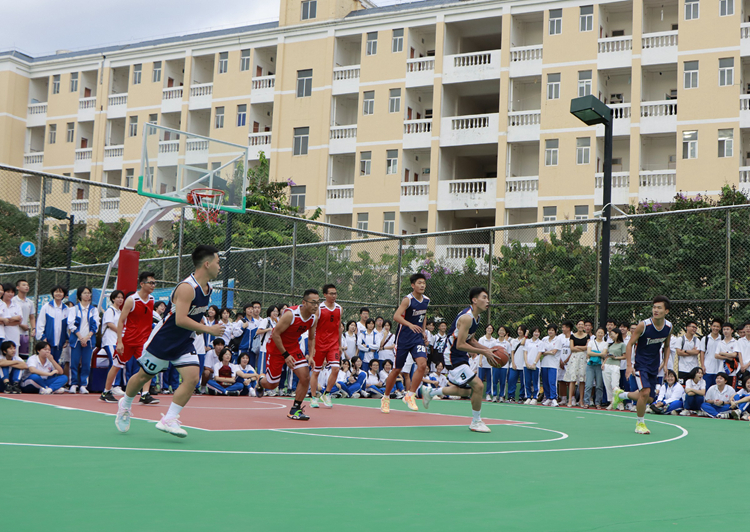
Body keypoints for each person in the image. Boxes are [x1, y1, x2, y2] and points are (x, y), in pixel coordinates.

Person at [115, 245, 226, 438]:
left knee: (192, 378)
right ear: (207, 264)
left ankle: (169, 419)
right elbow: (180, 319)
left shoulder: (207, 288)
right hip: (164, 340)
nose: (219, 267)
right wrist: (208, 329)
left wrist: (199, 323)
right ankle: (125, 403)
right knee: (143, 376)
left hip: (184, 341)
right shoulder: (187, 288)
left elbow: (193, 313)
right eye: (217, 262)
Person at [421, 287, 498, 433]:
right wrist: (483, 352)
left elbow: (471, 339)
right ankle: (476, 422)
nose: (487, 301)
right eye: (484, 297)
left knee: (467, 392)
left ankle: (430, 392)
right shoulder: (467, 318)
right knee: (479, 386)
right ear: (474, 300)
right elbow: (460, 344)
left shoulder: (476, 317)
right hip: (452, 355)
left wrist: (487, 349)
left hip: (459, 355)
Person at [612, 295, 673, 434]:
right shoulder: (644, 325)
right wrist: (629, 365)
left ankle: (621, 395)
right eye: (654, 307)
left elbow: (667, 346)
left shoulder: (668, 327)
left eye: (659, 308)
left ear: (666, 311)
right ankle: (640, 423)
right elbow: (630, 344)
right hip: (641, 363)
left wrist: (665, 363)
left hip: (654, 364)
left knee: (650, 398)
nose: (655, 310)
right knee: (644, 392)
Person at [255, 289, 320, 421]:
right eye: (312, 302)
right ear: (304, 302)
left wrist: (311, 356)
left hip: (293, 348)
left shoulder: (314, 318)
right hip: (276, 348)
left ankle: (295, 409)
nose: (315, 306)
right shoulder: (291, 314)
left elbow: (312, 338)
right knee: (272, 384)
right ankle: (260, 381)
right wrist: (285, 355)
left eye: (317, 303)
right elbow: (275, 334)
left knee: (305, 377)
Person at [101, 273, 158, 405]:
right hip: (128, 339)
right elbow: (121, 321)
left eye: (154, 283)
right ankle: (106, 392)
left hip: (143, 341)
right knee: (116, 365)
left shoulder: (151, 299)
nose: (153, 286)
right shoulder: (132, 300)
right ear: (142, 284)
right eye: (150, 283)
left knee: (148, 367)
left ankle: (145, 394)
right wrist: (120, 341)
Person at [382, 273, 430, 413]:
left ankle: (410, 395)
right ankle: (385, 398)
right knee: (397, 369)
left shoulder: (426, 300)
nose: (422, 285)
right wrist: (409, 325)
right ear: (413, 285)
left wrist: (423, 331)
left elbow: (423, 316)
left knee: (422, 364)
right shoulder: (407, 300)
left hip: (417, 338)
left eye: (424, 283)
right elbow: (396, 316)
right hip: (403, 338)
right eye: (419, 283)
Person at [310, 284, 342, 408]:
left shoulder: (339, 308)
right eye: (331, 293)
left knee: (336, 369)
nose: (334, 296)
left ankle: (327, 393)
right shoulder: (320, 308)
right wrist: (312, 347)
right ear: (325, 295)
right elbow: (313, 327)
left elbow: (339, 327)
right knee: (316, 372)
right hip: (319, 344)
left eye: (335, 293)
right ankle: (313, 397)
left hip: (333, 344)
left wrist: (339, 344)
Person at [67, 286, 99, 394]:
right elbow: (71, 324)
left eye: (89, 293)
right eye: (85, 293)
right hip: (76, 340)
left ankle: (83, 385)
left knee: (86, 363)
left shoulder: (94, 310)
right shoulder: (73, 309)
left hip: (88, 340)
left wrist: (87, 337)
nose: (87, 295)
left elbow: (96, 325)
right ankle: (74, 384)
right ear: (80, 295)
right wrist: (80, 337)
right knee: (74, 362)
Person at [98, 290, 125, 401]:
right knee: (115, 362)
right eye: (118, 297)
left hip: (118, 340)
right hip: (110, 340)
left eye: (121, 297)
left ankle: (115, 385)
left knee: (119, 362)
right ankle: (113, 386)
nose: (120, 299)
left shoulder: (121, 312)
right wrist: (121, 331)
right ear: (113, 299)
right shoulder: (110, 310)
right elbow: (110, 324)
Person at [35, 285, 69, 363]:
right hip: (48, 341)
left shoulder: (66, 309)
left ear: (64, 294)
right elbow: (40, 323)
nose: (58, 294)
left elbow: (67, 327)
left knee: (56, 362)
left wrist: (66, 340)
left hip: (60, 342)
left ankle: (55, 375)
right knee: (47, 362)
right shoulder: (46, 307)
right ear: (53, 293)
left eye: (60, 292)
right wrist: (43, 337)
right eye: (56, 291)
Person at [565, 319, 588, 407]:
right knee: (572, 379)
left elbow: (587, 347)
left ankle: (581, 400)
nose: (581, 326)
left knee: (582, 380)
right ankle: (570, 400)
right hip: (574, 358)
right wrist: (581, 348)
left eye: (582, 324)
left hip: (583, 359)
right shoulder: (572, 336)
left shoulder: (587, 336)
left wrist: (578, 346)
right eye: (579, 324)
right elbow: (572, 348)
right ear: (576, 325)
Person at [583, 326, 607, 409]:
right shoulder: (591, 342)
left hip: (600, 365)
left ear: (604, 334)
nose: (600, 334)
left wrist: (594, 353)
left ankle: (597, 403)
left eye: (602, 333)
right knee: (588, 384)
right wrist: (599, 354)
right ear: (596, 333)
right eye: (599, 332)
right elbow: (589, 352)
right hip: (590, 365)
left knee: (599, 385)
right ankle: (586, 402)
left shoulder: (605, 343)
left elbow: (604, 354)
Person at [539, 324, 561, 406]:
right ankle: (548, 398)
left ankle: (554, 398)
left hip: (553, 364)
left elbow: (554, 352)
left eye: (552, 330)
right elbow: (541, 351)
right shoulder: (544, 339)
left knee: (552, 382)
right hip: (544, 363)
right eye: (549, 330)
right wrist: (547, 352)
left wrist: (545, 352)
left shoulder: (558, 340)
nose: (550, 332)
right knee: (545, 382)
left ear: (555, 331)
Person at [233, 302, 262, 367]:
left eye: (252, 309)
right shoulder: (241, 322)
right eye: (248, 309)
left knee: (251, 367)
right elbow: (235, 334)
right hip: (243, 348)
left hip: (253, 349)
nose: (251, 310)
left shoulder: (257, 322)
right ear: (244, 310)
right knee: (241, 367)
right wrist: (242, 328)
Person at [12, 279, 35, 357]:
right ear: (17, 287)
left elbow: (32, 317)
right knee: (13, 355)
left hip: (25, 334)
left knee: (23, 356)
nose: (26, 287)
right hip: (14, 331)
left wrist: (33, 329)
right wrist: (21, 325)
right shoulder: (13, 300)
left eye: (27, 285)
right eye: (24, 285)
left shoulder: (30, 302)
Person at [604, 329, 626, 410]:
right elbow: (607, 356)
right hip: (607, 365)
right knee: (608, 385)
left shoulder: (622, 345)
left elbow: (625, 356)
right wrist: (603, 364)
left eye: (612, 334)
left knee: (615, 385)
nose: (611, 336)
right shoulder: (610, 345)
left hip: (615, 366)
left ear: (617, 334)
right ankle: (612, 403)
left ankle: (620, 403)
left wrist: (615, 357)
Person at [700, 318, 723, 390]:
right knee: (707, 390)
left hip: (719, 369)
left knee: (717, 390)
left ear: (720, 328)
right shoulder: (705, 339)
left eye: (717, 326)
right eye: (714, 326)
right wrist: (702, 365)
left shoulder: (722, 339)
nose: (715, 328)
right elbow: (702, 353)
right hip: (708, 369)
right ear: (711, 326)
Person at [478, 324, 499, 402]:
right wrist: (480, 361)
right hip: (482, 362)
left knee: (490, 379)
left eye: (491, 328)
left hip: (491, 363)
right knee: (480, 380)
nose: (489, 329)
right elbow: (480, 350)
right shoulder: (481, 339)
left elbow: (495, 351)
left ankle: (488, 394)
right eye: (488, 328)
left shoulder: (494, 340)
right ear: (485, 329)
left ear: (493, 330)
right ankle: (479, 394)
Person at [256, 305, 279, 374]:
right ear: (270, 312)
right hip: (264, 349)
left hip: (271, 350)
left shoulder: (275, 322)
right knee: (262, 370)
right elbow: (258, 332)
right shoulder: (266, 320)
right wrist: (268, 329)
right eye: (274, 311)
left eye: (277, 312)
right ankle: (259, 383)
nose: (275, 313)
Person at [1, 284, 22, 357]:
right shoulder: (1, 304)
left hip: (14, 335)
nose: (11, 294)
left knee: (15, 356)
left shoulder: (17, 306)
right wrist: (14, 318)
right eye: (8, 292)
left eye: (12, 292)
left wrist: (6, 320)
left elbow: (19, 321)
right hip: (3, 335)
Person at [507, 325, 527, 403]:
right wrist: (513, 362)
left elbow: (522, 343)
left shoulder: (526, 341)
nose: (519, 331)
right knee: (511, 380)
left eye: (521, 330)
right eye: (518, 329)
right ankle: (511, 397)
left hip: (523, 365)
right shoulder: (514, 340)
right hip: (514, 365)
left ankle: (521, 397)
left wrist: (526, 335)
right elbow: (512, 352)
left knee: (523, 382)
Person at [523, 327, 542, 405]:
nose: (536, 333)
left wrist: (534, 363)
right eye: (535, 332)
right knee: (527, 381)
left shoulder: (540, 342)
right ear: (532, 333)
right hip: (526, 365)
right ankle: (528, 397)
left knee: (535, 382)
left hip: (536, 365)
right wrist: (526, 363)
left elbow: (540, 353)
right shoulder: (527, 341)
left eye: (538, 332)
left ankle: (535, 397)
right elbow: (525, 352)